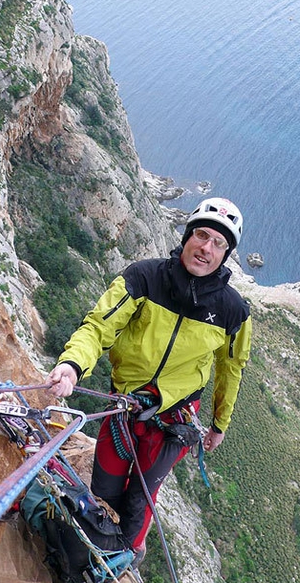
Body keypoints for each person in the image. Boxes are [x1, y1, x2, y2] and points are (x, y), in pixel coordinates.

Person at [47, 197, 252, 560]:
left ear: (226, 254)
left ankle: (131, 553)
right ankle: (100, 549)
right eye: (201, 235)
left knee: (141, 496)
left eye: (218, 243)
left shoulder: (233, 310)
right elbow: (99, 326)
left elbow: (230, 369)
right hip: (123, 405)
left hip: (174, 417)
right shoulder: (144, 277)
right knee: (106, 486)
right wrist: (73, 364)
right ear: (187, 236)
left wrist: (220, 424)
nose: (206, 247)